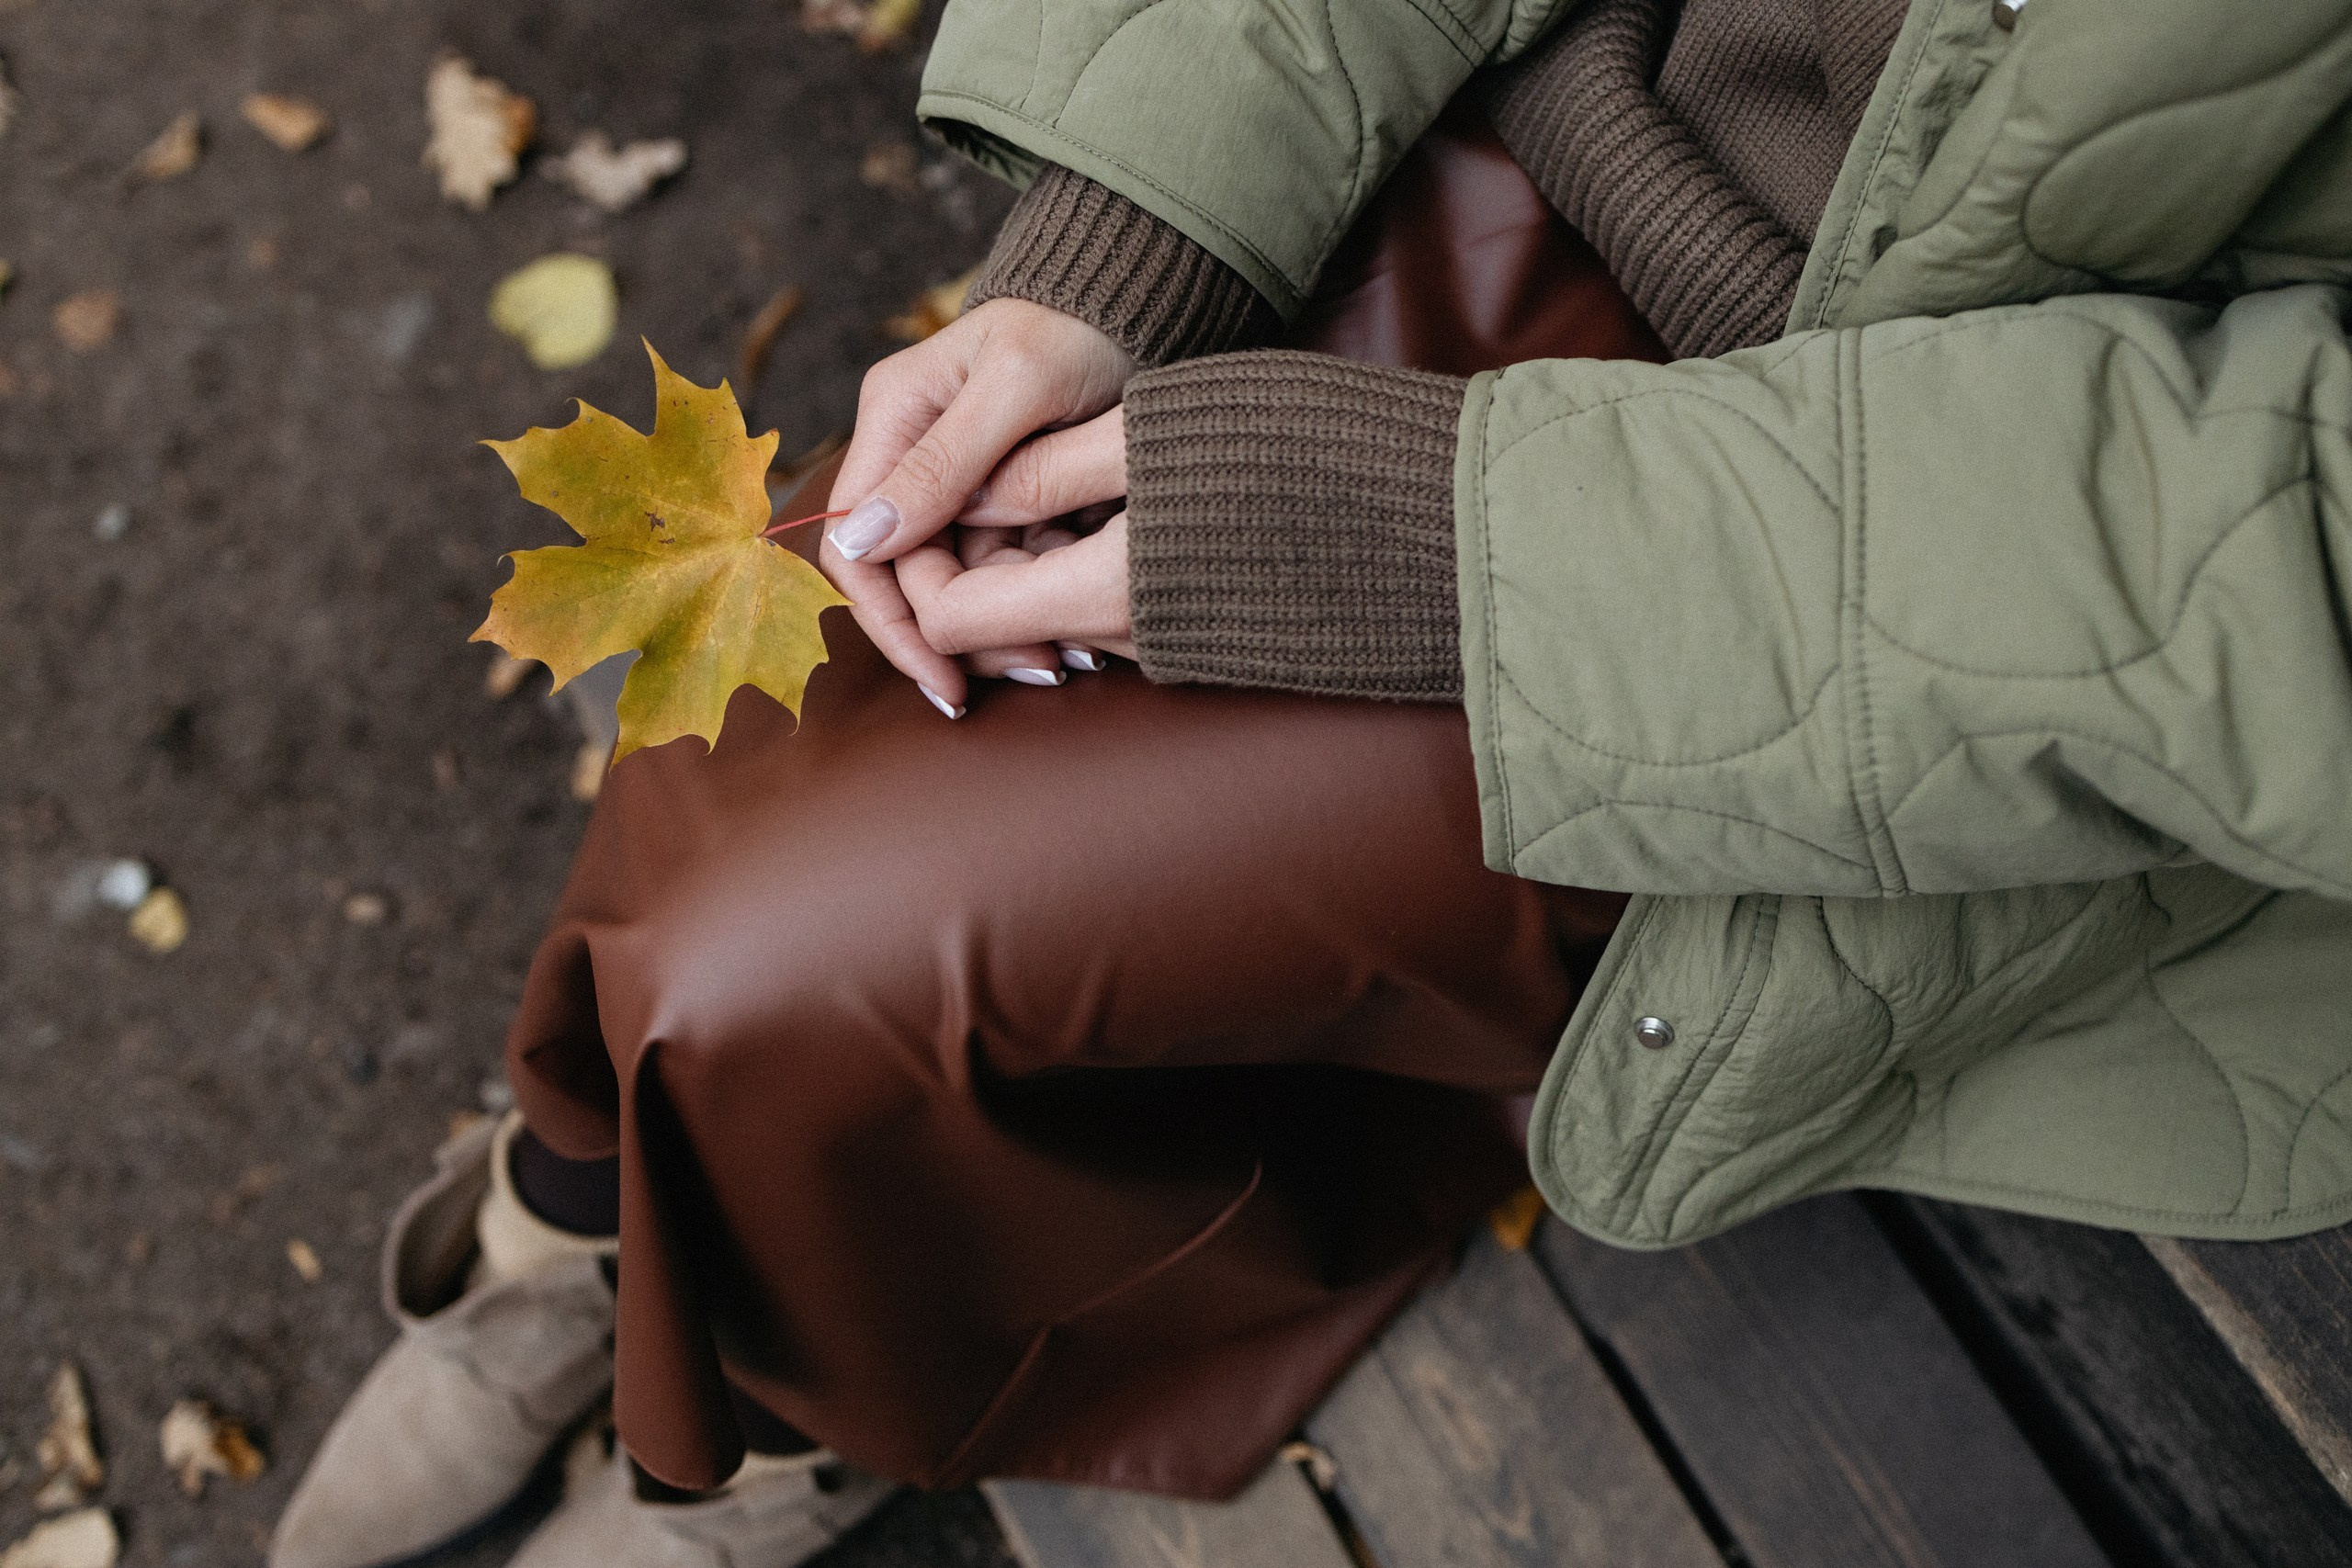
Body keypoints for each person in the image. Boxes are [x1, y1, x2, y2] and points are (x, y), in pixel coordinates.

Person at [271, 0, 2352, 1564]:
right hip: (1514, 126)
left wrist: (1485, 547)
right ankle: (572, 1218)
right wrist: (1120, 240)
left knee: (798, 960)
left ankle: (776, 1384)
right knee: (768, 676)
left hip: (1931, 578)